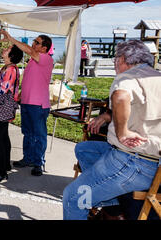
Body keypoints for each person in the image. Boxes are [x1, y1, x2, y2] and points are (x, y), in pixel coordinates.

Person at [63, 40, 161, 220]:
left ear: (122, 59)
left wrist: (123, 132)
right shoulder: (156, 77)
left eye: (116, 58)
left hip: (132, 161)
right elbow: (143, 108)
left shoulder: (127, 77)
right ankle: (112, 204)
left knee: (73, 197)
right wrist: (108, 116)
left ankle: (105, 200)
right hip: (154, 164)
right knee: (85, 149)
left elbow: (121, 96)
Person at [0, 30, 54, 176]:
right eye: (34, 41)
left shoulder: (45, 58)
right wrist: (21, 94)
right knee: (27, 133)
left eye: (36, 42)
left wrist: (11, 38)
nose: (33, 44)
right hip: (27, 103)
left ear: (44, 48)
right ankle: (28, 158)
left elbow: (27, 49)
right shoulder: (33, 60)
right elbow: (30, 81)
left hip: (38, 105)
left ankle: (38, 163)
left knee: (39, 134)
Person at [0, 45, 23, 183]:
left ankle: (2, 172)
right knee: (3, 136)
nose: (4, 50)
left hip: (5, 105)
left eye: (7, 49)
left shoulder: (10, 69)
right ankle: (5, 165)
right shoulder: (7, 67)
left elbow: (3, 89)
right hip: (2, 105)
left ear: (12, 55)